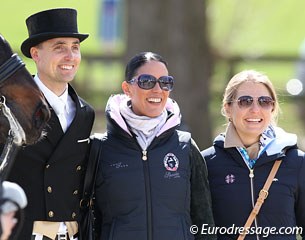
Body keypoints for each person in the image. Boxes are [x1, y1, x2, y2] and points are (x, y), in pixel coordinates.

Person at [90, 51, 216, 240]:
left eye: (165, 82)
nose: (158, 89)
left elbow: (204, 221)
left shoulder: (185, 146)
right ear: (127, 88)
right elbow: (90, 223)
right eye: (147, 81)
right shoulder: (100, 149)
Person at [6, 8, 95, 240]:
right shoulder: (10, 110)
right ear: (36, 54)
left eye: (75, 47)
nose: (70, 56)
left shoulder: (85, 114)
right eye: (59, 47)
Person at [201, 70, 305, 239]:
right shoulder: (206, 163)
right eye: (245, 101)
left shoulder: (297, 162)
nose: (255, 109)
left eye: (264, 102)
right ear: (227, 108)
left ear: (272, 108)